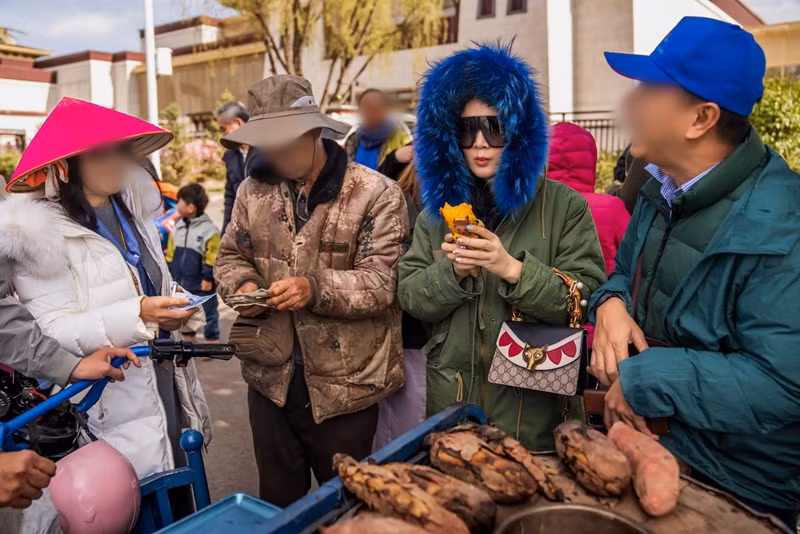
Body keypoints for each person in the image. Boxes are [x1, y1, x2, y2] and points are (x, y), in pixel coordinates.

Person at [589, 17, 800, 528]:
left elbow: (784, 383)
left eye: (651, 88)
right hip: (653, 448)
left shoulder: (782, 223)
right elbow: (621, 275)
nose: (631, 102)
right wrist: (612, 304)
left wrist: (643, 378)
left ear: (701, 118)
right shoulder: (657, 189)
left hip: (739, 485)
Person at [398, 44, 606, 451]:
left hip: (536, 419)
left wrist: (512, 269)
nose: (479, 144)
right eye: (465, 129)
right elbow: (410, 296)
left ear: (518, 131)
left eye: (494, 128)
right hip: (455, 413)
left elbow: (587, 296)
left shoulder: (565, 206)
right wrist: (452, 273)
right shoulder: (434, 215)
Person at [215, 74, 407, 507]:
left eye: (286, 142)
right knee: (279, 507)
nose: (276, 155)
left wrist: (313, 288)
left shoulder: (375, 193)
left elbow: (383, 283)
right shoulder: (252, 190)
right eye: (268, 144)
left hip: (347, 390)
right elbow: (229, 257)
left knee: (351, 510)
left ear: (315, 131)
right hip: (270, 383)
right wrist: (243, 286)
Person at [0, 97, 212, 481]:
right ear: (65, 167)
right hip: (105, 404)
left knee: (182, 491)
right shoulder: (35, 237)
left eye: (120, 149)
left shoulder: (137, 212)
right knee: (130, 504)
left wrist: (177, 302)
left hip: (166, 384)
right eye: (99, 154)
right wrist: (138, 314)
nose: (115, 162)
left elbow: (148, 284)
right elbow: (47, 331)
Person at [548, 122, 630, 277]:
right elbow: (634, 256)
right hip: (607, 295)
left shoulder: (537, 209)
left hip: (555, 296)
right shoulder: (612, 207)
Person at [167, 183, 221, 341]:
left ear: (190, 207)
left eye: (179, 201)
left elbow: (213, 257)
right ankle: (189, 337)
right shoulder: (178, 226)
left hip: (202, 282)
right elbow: (170, 253)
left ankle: (212, 338)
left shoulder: (209, 230)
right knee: (186, 309)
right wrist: (170, 272)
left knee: (209, 311)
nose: (177, 205)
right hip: (182, 280)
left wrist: (208, 278)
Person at [344, 88, 411, 170]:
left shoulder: (403, 141)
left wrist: (393, 159)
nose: (372, 113)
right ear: (360, 111)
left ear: (386, 110)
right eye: (367, 107)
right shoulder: (353, 140)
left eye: (377, 107)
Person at [217, 101, 253, 234]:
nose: (222, 134)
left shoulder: (266, 151)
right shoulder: (230, 156)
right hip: (242, 231)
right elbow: (230, 197)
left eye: (223, 128)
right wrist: (226, 232)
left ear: (238, 123)